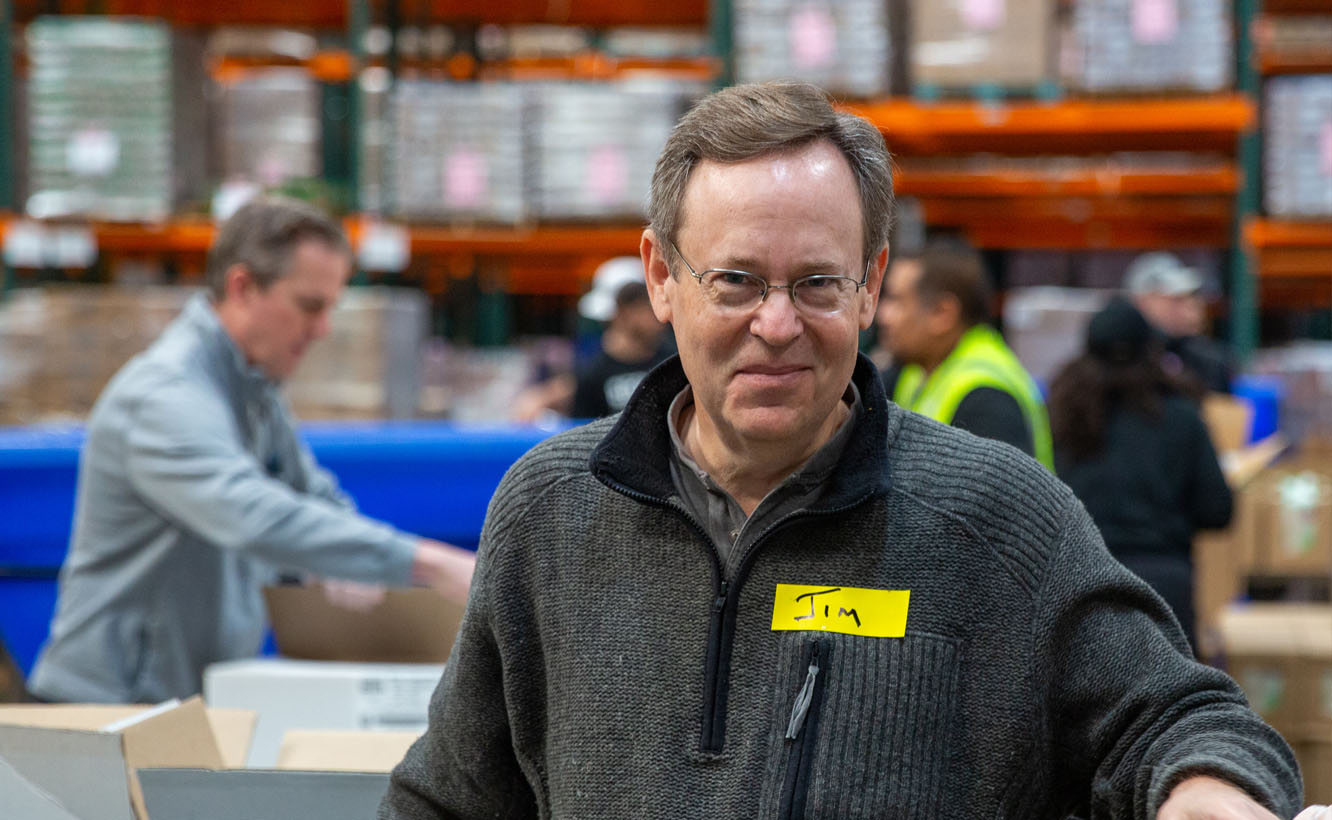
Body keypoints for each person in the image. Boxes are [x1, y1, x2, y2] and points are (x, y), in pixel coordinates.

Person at [381, 83, 1302, 819]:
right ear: (663, 277)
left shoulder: (995, 519)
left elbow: (1184, 718)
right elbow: (452, 795)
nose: (776, 325)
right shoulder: (552, 509)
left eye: (818, 282)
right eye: (736, 280)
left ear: (869, 288)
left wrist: (1205, 787)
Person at [28, 196, 475, 704]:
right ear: (242, 287)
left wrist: (351, 561)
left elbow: (314, 499)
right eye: (310, 306)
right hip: (106, 709)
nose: (324, 329)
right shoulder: (163, 397)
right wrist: (430, 563)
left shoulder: (254, 392)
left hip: (187, 705)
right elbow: (255, 516)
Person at [1050, 297, 1233, 651]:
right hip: (1165, 591)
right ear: (1152, 350)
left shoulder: (1062, 417)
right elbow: (1218, 509)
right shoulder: (1182, 417)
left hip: (1082, 584)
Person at [877, 236, 1054, 469]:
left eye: (897, 301)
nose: (883, 316)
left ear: (943, 313)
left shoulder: (988, 400)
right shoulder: (919, 371)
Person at [570, 258, 674, 419]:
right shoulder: (592, 373)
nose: (658, 314)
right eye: (645, 306)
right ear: (624, 311)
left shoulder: (674, 361)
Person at [1125, 251, 1233, 394]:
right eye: (1175, 299)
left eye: (1188, 297)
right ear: (1142, 302)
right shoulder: (1124, 358)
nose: (1189, 307)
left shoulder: (1208, 359)